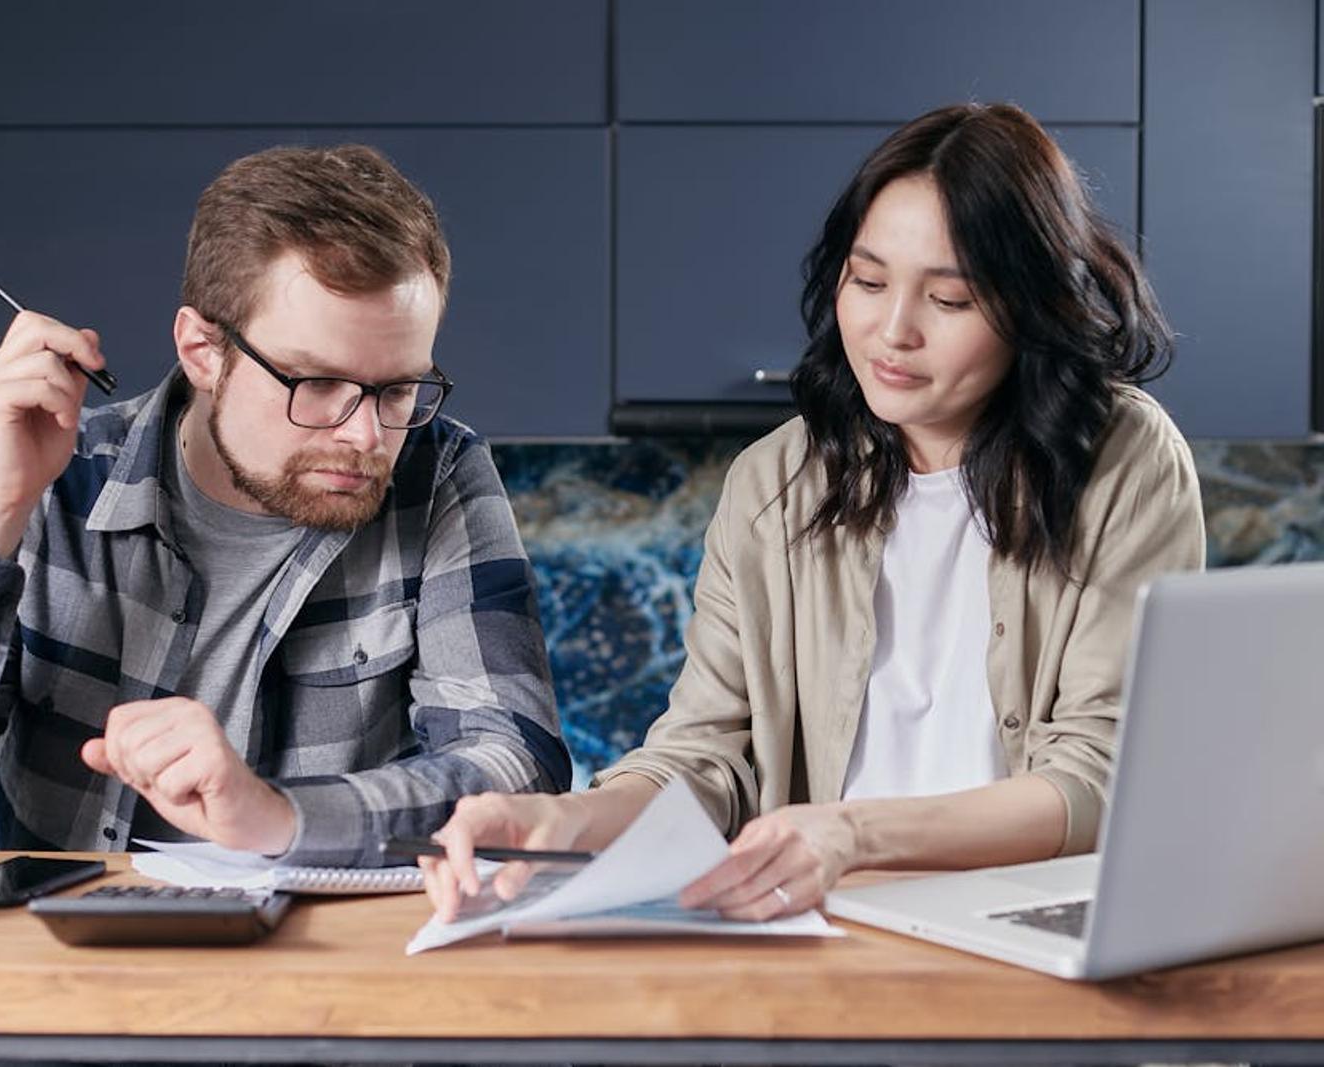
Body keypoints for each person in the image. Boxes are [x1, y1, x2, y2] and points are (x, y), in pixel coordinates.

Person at [422, 102, 1205, 921]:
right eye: (867, 281)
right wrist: (567, 819)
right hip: (833, 933)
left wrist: (852, 832)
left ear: (1029, 307)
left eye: (950, 299)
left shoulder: (1124, 462)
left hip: (1026, 931)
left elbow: (1103, 774)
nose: (891, 331)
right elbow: (708, 756)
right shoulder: (774, 482)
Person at [0, 144, 570, 865]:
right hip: (64, 968)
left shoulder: (437, 471)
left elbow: (516, 769)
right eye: (315, 384)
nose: (367, 434)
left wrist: (275, 816)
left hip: (329, 968)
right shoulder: (32, 474)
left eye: (399, 388)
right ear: (202, 351)